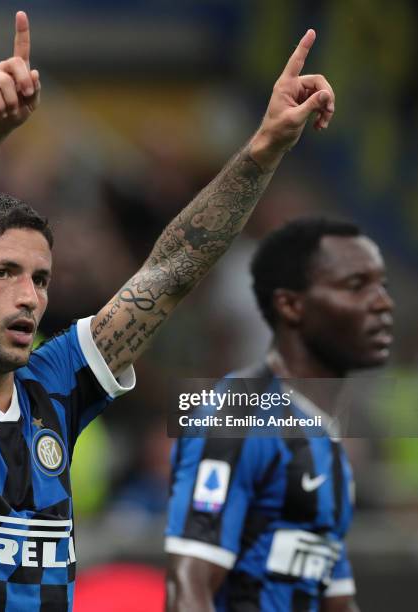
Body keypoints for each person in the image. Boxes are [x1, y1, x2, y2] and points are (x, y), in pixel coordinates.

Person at [0, 11, 335, 611]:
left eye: (41, 278)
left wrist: (266, 146)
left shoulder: (54, 388)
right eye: (3, 272)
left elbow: (170, 271)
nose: (30, 296)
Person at [165, 218, 394, 612]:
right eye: (356, 286)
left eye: (382, 285)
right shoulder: (238, 414)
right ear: (290, 305)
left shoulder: (326, 440)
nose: (382, 302)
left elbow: (334, 600)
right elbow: (189, 586)